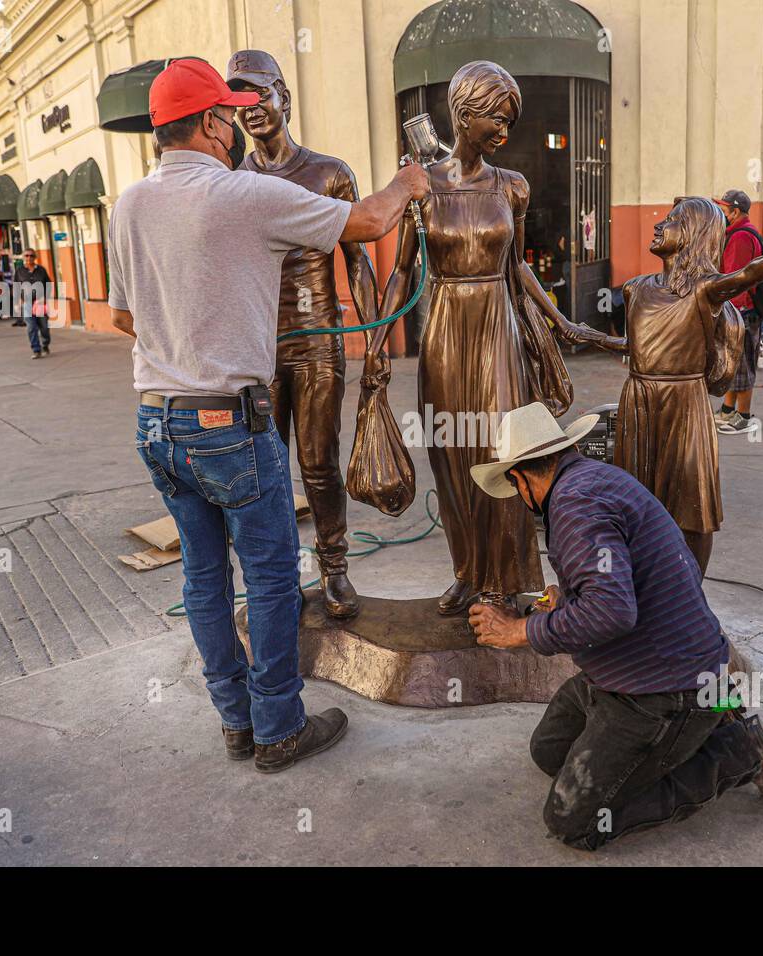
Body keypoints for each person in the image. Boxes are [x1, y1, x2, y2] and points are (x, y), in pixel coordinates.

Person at [106, 57, 428, 771]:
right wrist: (407, 183)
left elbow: (124, 316)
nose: (237, 124)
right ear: (214, 123)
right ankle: (279, 727)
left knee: (203, 578)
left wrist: (186, 345)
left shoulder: (127, 205)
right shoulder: (243, 194)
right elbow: (370, 222)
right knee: (274, 576)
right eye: (228, 114)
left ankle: (235, 722)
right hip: (228, 422)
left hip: (158, 421)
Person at [466, 402, 763, 851]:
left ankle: (734, 753)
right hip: (627, 669)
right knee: (549, 752)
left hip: (663, 688)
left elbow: (612, 612)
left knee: (572, 821)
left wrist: (517, 632)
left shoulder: (574, 505)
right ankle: (698, 722)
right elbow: (622, 581)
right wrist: (566, 597)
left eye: (515, 489)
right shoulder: (594, 480)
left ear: (520, 477)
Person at [371, 59, 621, 616]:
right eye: (496, 119)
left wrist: (561, 323)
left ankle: (509, 578)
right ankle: (468, 572)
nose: (505, 132)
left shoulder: (513, 186)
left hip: (498, 328)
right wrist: (375, 345)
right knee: (452, 452)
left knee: (503, 451)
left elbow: (518, 267)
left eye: (511, 120)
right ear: (464, 114)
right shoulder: (422, 187)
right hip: (443, 331)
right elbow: (403, 273)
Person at [230, 49, 379, 620]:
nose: (253, 109)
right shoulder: (233, 182)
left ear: (284, 98)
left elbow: (358, 262)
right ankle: (280, 579)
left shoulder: (329, 173)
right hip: (258, 344)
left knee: (319, 462)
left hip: (318, 339)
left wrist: (379, 339)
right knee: (267, 467)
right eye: (240, 101)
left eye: (260, 94)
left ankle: (335, 567)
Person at [614, 198, 763, 576]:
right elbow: (636, 347)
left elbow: (744, 276)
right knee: (635, 499)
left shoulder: (704, 290)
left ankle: (688, 596)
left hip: (684, 401)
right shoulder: (636, 289)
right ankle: (643, 584)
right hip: (638, 400)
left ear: (694, 235)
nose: (658, 225)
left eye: (671, 221)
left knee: (691, 503)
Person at [713, 189, 763, 436]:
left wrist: (731, 311)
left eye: (724, 210)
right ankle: (727, 408)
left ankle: (743, 416)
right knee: (733, 364)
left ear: (735, 212)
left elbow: (737, 279)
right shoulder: (733, 233)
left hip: (742, 311)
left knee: (742, 364)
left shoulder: (741, 237)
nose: (720, 213)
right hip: (738, 309)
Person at [14, 249, 52, 358]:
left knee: (44, 327)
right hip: (27, 304)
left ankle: (45, 344)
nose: (29, 258)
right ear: (23, 257)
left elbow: (48, 285)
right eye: (26, 256)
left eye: (31, 256)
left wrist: (45, 297)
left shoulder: (41, 270)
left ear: (35, 257)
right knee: (31, 327)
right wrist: (17, 302)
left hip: (40, 303)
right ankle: (36, 350)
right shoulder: (19, 271)